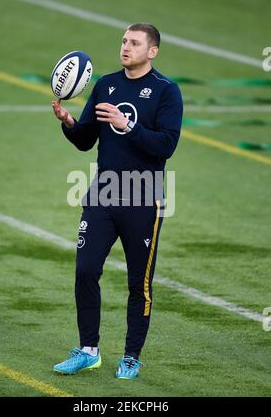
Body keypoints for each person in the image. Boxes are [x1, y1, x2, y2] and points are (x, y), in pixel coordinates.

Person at [51, 23, 183, 379]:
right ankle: (89, 350)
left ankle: (130, 356)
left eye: (135, 43)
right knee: (85, 270)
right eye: (124, 41)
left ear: (152, 51)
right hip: (103, 193)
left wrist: (128, 126)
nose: (126, 47)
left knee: (138, 283)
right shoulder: (105, 84)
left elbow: (166, 145)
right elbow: (84, 140)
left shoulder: (167, 92)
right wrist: (68, 122)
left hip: (143, 198)